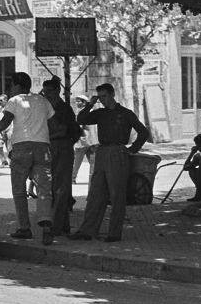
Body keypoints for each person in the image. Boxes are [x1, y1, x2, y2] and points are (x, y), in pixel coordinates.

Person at [0, 71, 55, 244]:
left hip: (21, 147)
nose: (11, 88)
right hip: (43, 147)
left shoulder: (14, 101)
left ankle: (24, 227)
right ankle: (46, 224)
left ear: (17, 85)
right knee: (44, 190)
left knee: (19, 190)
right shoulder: (43, 101)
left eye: (12, 85)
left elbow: (2, 125)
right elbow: (51, 122)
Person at [69, 82, 150, 243]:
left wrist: (132, 149)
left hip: (118, 152)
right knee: (95, 194)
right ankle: (87, 230)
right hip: (102, 152)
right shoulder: (100, 113)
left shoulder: (126, 114)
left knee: (117, 194)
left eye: (105, 96)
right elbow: (81, 119)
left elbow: (143, 132)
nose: (103, 100)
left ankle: (114, 232)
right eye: (101, 97)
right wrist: (90, 104)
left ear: (113, 94)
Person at [42, 77, 81, 236]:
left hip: (62, 146)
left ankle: (57, 225)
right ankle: (62, 224)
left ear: (57, 91)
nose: (47, 95)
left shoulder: (64, 109)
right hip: (51, 147)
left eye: (49, 92)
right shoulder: (45, 107)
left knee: (61, 188)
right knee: (52, 187)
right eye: (45, 92)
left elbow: (63, 130)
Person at [71, 95, 98, 183]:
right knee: (91, 163)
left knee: (77, 162)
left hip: (84, 141)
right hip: (90, 141)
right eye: (76, 101)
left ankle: (72, 178)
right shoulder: (90, 111)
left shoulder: (83, 113)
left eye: (79, 101)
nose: (77, 103)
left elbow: (79, 127)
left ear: (84, 103)